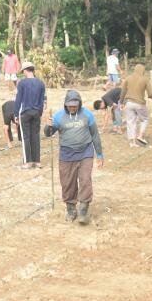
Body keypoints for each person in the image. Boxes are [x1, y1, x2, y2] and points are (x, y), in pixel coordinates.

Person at [44, 91, 104, 224]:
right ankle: (71, 209)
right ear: (65, 105)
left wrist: (99, 154)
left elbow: (95, 135)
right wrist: (48, 126)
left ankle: (83, 209)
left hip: (85, 152)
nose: (72, 108)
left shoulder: (87, 114)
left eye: (75, 105)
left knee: (85, 180)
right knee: (67, 183)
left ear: (79, 104)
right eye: (70, 105)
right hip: (66, 154)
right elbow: (48, 134)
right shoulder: (58, 116)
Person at [14, 62, 46, 169]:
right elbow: (42, 100)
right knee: (35, 136)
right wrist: (40, 112)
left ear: (25, 70)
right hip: (37, 112)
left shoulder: (22, 83)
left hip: (25, 112)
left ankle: (27, 162)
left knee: (26, 137)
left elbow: (18, 100)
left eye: (23, 71)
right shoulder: (41, 83)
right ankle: (37, 162)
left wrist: (15, 113)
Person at [119, 64, 152, 148]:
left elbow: (123, 92)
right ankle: (140, 135)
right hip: (139, 103)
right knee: (144, 119)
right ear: (143, 70)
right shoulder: (145, 79)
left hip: (128, 103)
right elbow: (150, 94)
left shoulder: (128, 78)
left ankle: (132, 143)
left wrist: (121, 102)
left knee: (130, 122)